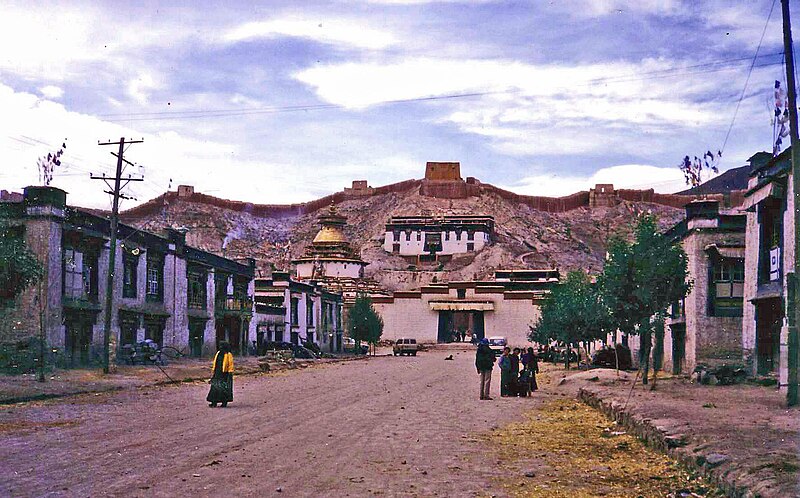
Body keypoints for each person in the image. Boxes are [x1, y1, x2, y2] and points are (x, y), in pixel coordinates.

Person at [207, 341, 234, 407]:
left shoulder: (228, 354)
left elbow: (230, 364)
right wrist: (213, 371)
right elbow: (215, 362)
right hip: (217, 373)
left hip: (224, 374)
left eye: (222, 346)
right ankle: (214, 402)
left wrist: (230, 373)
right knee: (214, 388)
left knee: (223, 389)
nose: (220, 347)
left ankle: (224, 403)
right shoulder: (218, 353)